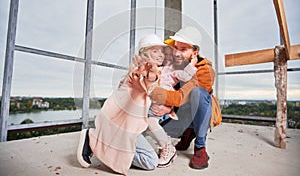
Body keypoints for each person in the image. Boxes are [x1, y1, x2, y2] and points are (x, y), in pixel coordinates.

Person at [77, 34, 166, 175]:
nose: (160, 54)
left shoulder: (141, 73)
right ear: (144, 54)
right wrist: (149, 72)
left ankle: (105, 144)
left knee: (145, 155)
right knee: (150, 162)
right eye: (155, 51)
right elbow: (146, 79)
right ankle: (93, 140)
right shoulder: (139, 73)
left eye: (161, 51)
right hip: (122, 127)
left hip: (124, 125)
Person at [149, 26, 216, 170]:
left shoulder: (205, 70)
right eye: (176, 48)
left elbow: (180, 98)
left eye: (183, 49)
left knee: (198, 93)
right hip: (178, 112)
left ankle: (200, 147)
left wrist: (156, 94)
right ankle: (188, 131)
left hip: (196, 112)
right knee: (153, 126)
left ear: (195, 53)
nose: (177, 53)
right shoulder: (173, 65)